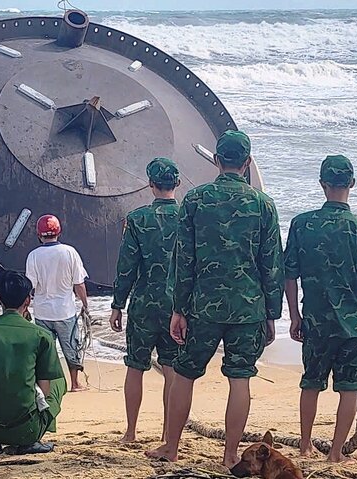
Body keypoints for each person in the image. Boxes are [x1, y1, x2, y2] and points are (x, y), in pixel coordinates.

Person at [146, 130, 284, 470]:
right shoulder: (263, 204)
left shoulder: (194, 200)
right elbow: (271, 263)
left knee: (185, 374)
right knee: (240, 379)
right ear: (248, 162)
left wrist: (178, 308)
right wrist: (272, 313)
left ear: (217, 160)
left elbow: (184, 259)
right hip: (248, 306)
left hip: (202, 307)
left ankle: (172, 447)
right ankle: (230, 455)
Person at [283, 155, 357, 464]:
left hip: (315, 323)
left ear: (322, 184)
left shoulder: (302, 224)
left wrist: (294, 315)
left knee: (311, 382)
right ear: (352, 184)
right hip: (353, 326)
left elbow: (289, 274)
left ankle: (305, 445)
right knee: (349, 388)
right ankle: (335, 453)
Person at [109, 157, 181, 444]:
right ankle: (167, 432)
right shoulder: (188, 216)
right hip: (178, 306)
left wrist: (117, 304)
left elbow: (126, 266)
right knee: (172, 369)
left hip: (144, 303)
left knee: (135, 366)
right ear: (177, 183)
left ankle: (130, 431)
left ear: (151, 185)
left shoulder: (137, 219)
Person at [0, 270, 67, 455]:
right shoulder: (41, 335)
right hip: (27, 429)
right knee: (57, 381)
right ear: (28, 301)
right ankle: (32, 442)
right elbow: (45, 390)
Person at [25, 214, 89, 392]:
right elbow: (79, 284)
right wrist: (85, 305)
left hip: (42, 311)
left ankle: (47, 386)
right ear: (58, 232)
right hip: (65, 311)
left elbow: (29, 286)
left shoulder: (34, 256)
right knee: (71, 347)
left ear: (39, 234)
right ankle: (75, 383)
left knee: (45, 351)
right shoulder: (70, 252)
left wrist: (25, 307)